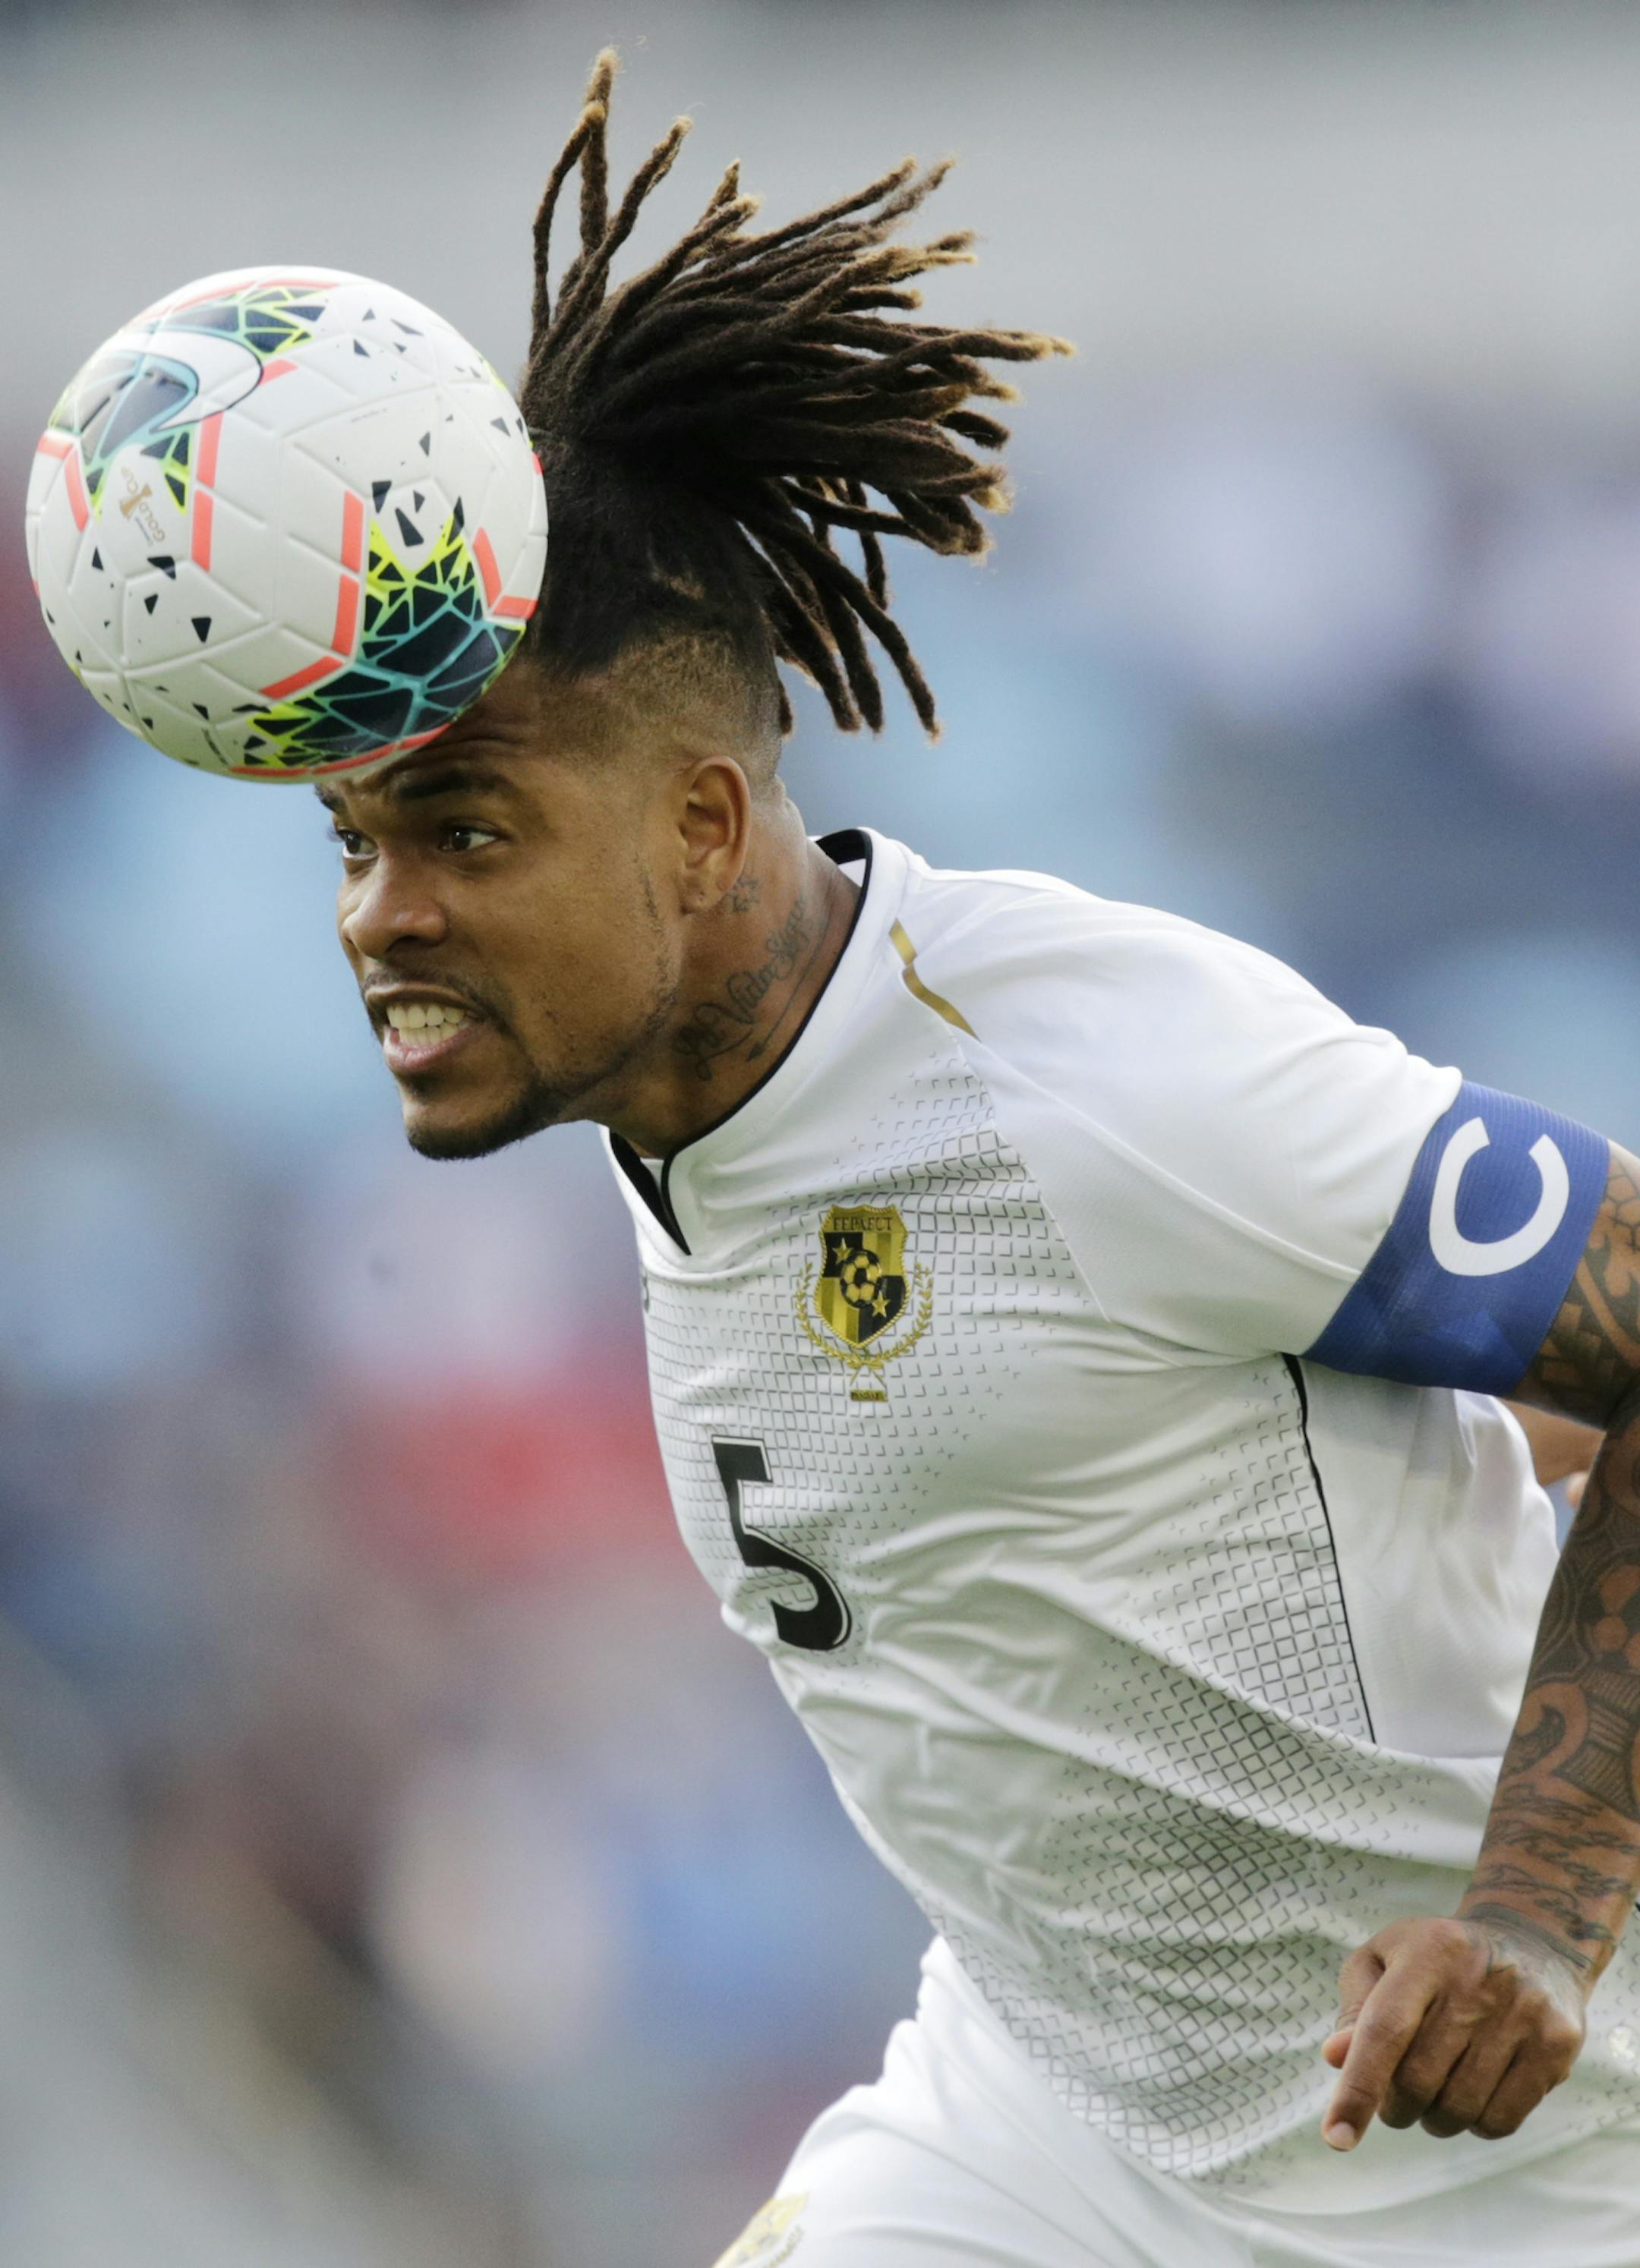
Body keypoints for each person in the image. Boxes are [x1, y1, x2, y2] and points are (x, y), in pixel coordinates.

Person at [316, 55, 1640, 2267]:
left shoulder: (1092, 1081)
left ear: (702, 827)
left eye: (464, 832)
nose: (383, 915)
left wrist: (1537, 1907)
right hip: (1052, 2128)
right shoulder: (677, 1097)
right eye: (354, 843)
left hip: (1520, 2166)